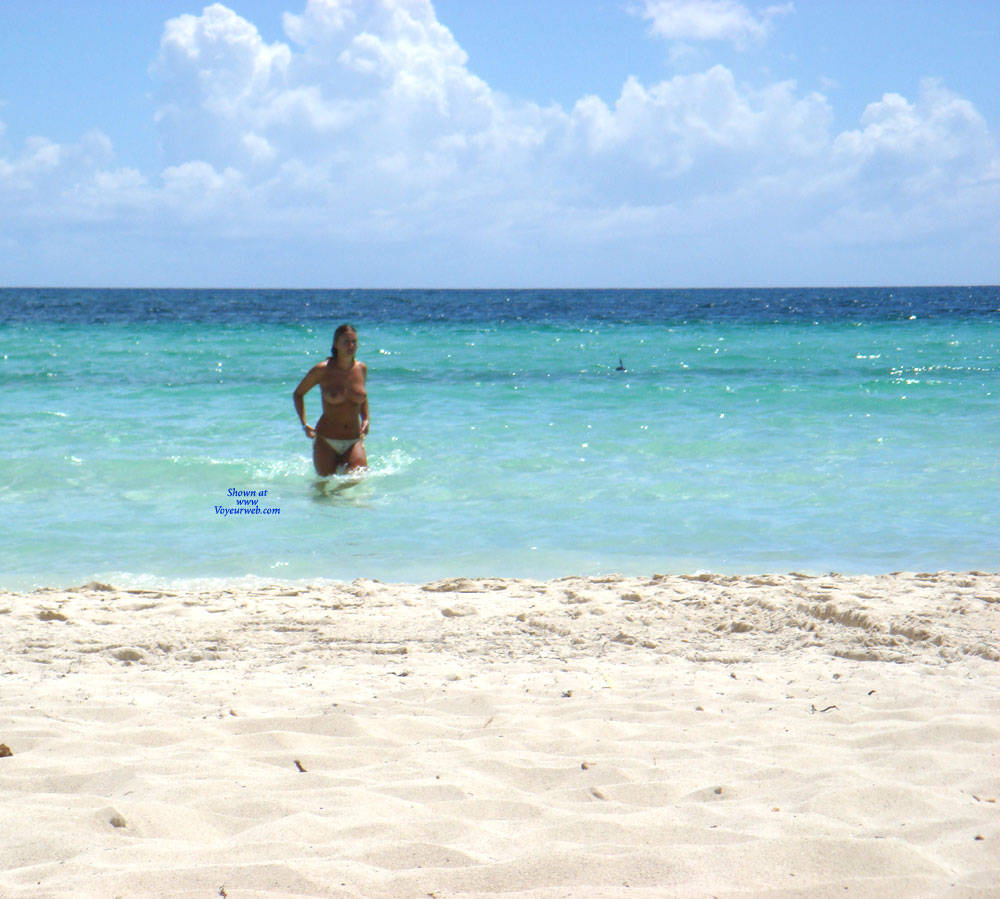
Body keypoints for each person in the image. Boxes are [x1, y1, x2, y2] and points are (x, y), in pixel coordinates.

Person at [293, 324, 369, 475]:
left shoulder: (361, 368)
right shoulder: (322, 370)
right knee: (324, 486)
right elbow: (298, 394)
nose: (351, 346)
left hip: (353, 440)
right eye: (346, 342)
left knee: (357, 478)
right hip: (326, 440)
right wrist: (304, 424)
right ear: (335, 344)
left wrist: (366, 419)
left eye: (354, 342)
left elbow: (361, 396)